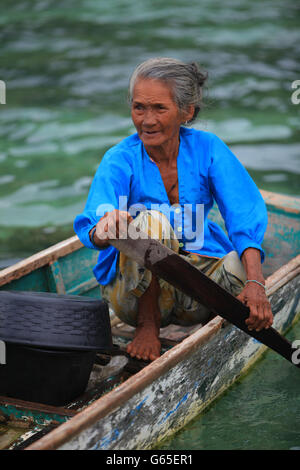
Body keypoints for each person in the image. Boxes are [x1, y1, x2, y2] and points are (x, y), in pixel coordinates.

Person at [74, 57, 273, 362]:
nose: (147, 120)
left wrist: (256, 284)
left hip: (196, 290)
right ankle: (148, 325)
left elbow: (243, 213)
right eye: (139, 107)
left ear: (186, 112)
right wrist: (106, 227)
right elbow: (94, 220)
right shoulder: (120, 159)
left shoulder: (208, 148)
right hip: (132, 296)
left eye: (159, 108)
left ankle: (213, 331)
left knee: (239, 264)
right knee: (151, 223)